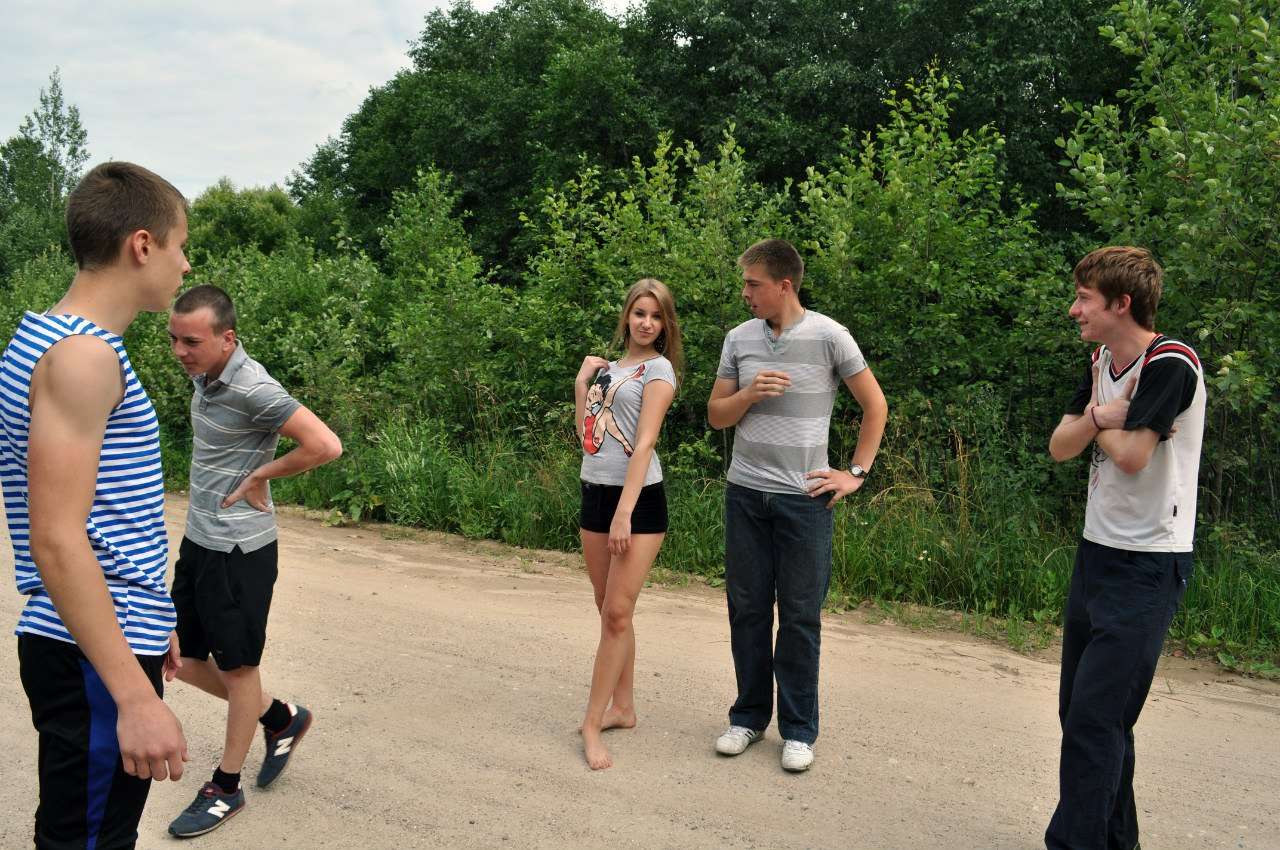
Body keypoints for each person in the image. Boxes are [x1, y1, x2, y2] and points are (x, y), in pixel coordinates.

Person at [1, 161, 190, 849]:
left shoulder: (51, 339)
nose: (185, 264)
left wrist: (150, 611)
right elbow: (56, 538)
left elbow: (104, 514)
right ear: (142, 245)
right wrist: (133, 695)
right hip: (90, 654)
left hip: (103, 631)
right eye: (180, 245)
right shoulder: (83, 357)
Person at [164, 284, 342, 837]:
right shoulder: (206, 374)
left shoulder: (252, 387)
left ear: (227, 339)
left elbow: (325, 445)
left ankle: (226, 787)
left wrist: (264, 473)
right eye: (173, 339)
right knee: (178, 658)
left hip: (239, 550)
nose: (179, 352)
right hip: (200, 539)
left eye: (191, 342)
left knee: (239, 668)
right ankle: (280, 717)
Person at [1045, 247, 1204, 850]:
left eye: (1084, 298)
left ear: (1122, 303)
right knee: (1085, 714)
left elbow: (1136, 458)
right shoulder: (1101, 363)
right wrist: (1103, 414)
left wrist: (1098, 423)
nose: (1074, 309)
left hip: (1149, 564)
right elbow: (1060, 446)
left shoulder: (1172, 362)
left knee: (1096, 719)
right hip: (1097, 553)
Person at [708, 238, 887, 772]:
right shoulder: (739, 338)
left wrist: (855, 474)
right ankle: (747, 718)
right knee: (747, 610)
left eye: (753, 284)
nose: (746, 294)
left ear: (784, 285)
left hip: (805, 501)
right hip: (745, 494)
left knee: (800, 616)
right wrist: (747, 395)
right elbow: (717, 415)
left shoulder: (831, 336)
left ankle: (799, 730)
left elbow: (875, 406)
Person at [575, 278, 683, 770]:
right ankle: (624, 707)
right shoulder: (607, 370)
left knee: (617, 613)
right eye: (640, 313)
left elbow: (644, 443)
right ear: (627, 316)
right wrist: (582, 386)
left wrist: (624, 511)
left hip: (637, 502)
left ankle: (592, 724)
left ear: (665, 325)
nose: (646, 323)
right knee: (608, 608)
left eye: (656, 316)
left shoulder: (658, 370)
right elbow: (589, 438)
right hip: (594, 492)